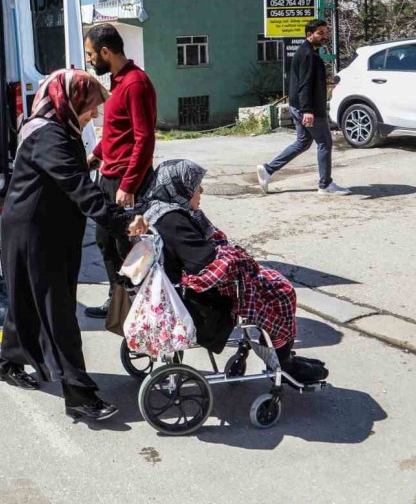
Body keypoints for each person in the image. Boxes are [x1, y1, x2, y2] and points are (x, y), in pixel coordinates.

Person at [0, 69, 148, 422]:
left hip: (49, 229)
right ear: (71, 100)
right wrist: (122, 221)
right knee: (57, 310)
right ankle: (77, 393)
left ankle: (7, 361)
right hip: (36, 233)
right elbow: (78, 187)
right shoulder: (49, 136)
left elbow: (68, 171)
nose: (93, 115)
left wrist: (91, 159)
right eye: (90, 107)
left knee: (30, 299)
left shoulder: (59, 128)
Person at [138, 159, 329, 383]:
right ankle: (283, 362)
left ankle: (281, 354)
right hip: (199, 298)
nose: (201, 190)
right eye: (196, 186)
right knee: (283, 291)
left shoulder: (161, 208)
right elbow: (204, 261)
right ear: (181, 188)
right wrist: (235, 257)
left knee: (273, 282)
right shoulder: (173, 219)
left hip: (184, 286)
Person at [81, 24, 158, 320]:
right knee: (104, 240)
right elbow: (116, 134)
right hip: (108, 176)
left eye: (91, 54)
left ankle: (145, 305)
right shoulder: (117, 81)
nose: (89, 60)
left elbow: (144, 138)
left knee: (128, 245)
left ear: (105, 51)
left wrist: (129, 184)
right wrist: (95, 155)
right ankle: (118, 303)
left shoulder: (136, 83)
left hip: (126, 181)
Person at [257, 19, 350, 195]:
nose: (325, 36)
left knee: (303, 142)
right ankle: (325, 185)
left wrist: (326, 83)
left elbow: (305, 80)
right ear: (309, 34)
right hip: (309, 108)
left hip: (299, 105)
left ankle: (268, 169)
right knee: (325, 142)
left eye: (326, 32)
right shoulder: (308, 55)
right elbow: (304, 85)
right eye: (320, 33)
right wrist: (308, 110)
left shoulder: (307, 52)